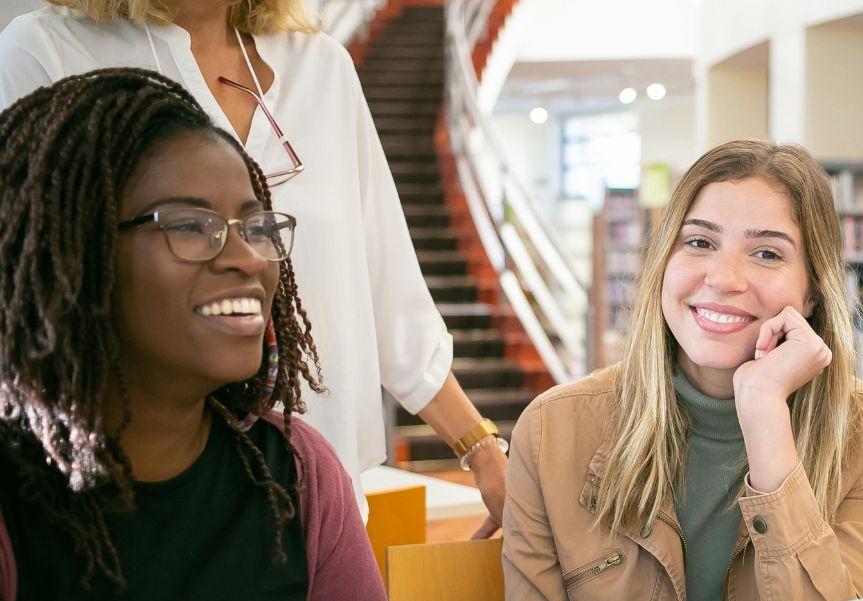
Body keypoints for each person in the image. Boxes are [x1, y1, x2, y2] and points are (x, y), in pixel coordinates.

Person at [0, 0, 509, 532]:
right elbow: (31, 309)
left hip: (319, 512)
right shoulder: (48, 51)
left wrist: (481, 449)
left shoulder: (322, 67)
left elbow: (389, 291)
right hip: (128, 511)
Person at [0, 69, 388, 601]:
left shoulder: (300, 478)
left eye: (257, 227)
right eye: (190, 226)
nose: (249, 258)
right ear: (77, 252)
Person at [489, 139, 863, 601]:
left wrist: (766, 417)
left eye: (767, 253)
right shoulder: (551, 430)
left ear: (813, 289)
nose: (724, 277)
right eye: (699, 242)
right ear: (664, 260)